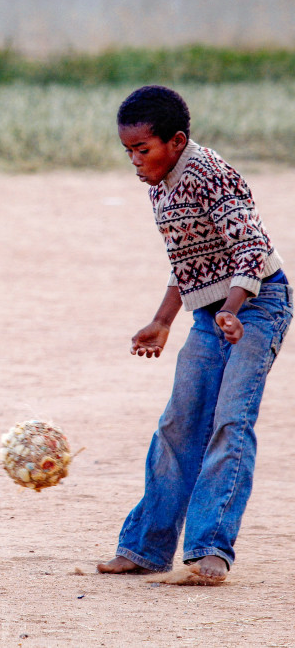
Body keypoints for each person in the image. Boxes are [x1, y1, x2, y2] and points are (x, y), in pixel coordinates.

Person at [98, 85, 292, 583]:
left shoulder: (211, 175)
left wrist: (232, 310)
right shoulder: (160, 187)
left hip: (259, 305)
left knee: (231, 422)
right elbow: (187, 261)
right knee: (180, 424)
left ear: (177, 141)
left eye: (143, 150)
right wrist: (163, 321)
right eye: (129, 152)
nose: (135, 162)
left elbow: (251, 248)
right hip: (212, 312)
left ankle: (210, 550)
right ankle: (145, 547)